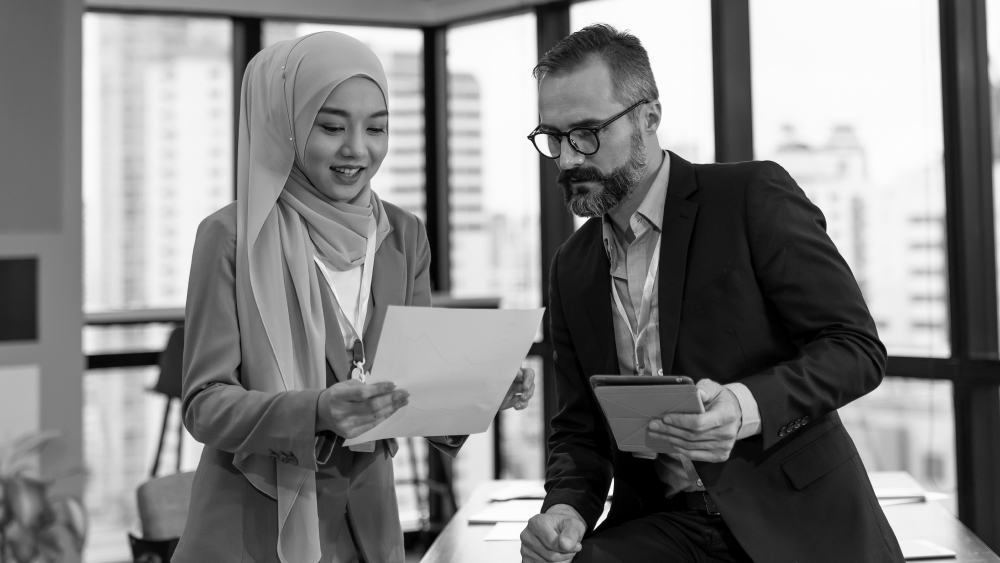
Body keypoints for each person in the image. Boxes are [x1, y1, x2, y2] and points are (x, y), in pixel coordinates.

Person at [519, 24, 903, 563]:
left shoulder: (750, 197)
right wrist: (566, 510)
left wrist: (745, 407)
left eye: (585, 133)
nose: (566, 159)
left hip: (796, 518)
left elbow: (855, 349)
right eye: (553, 138)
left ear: (649, 117)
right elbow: (579, 430)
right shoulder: (572, 266)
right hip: (664, 523)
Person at [172, 32, 534, 563]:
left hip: (368, 531)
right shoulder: (231, 237)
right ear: (287, 126)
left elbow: (415, 388)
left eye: (377, 128)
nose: (357, 150)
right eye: (332, 126)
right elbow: (205, 405)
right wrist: (315, 411)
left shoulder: (403, 236)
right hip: (250, 531)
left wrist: (480, 390)